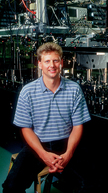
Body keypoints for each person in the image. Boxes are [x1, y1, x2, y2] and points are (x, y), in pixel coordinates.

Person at [2, 42, 91, 193]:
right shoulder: (27, 92)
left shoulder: (74, 89)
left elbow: (77, 126)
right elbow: (26, 129)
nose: (52, 65)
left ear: (61, 63)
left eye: (56, 60)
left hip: (66, 143)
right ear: (40, 64)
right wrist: (43, 155)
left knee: (90, 184)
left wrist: (68, 154)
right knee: (11, 187)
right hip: (38, 145)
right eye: (47, 61)